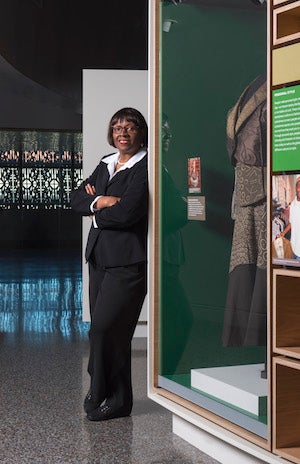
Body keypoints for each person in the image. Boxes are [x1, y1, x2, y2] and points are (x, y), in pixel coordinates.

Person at [71, 107, 148, 421]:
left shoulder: (145, 166)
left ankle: (98, 387)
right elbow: (75, 199)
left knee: (105, 330)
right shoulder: (106, 163)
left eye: (129, 128)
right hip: (99, 258)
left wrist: (96, 212)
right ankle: (119, 402)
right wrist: (101, 201)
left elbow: (130, 211)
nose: (123, 133)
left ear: (140, 132)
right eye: (117, 128)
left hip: (127, 261)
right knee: (106, 332)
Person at [280, 177, 300, 259]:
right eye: (298, 185)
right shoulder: (293, 205)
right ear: (295, 188)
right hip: (294, 247)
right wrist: (283, 233)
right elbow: (291, 223)